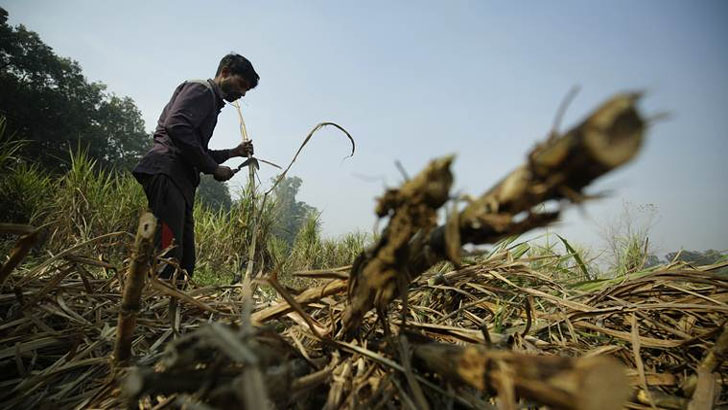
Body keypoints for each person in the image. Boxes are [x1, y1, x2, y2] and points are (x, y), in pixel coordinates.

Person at [132, 53, 259, 280]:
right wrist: (213, 168)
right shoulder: (201, 90)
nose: (241, 94)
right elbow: (177, 127)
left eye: (246, 91)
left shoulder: (211, 101)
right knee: (168, 254)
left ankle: (172, 308)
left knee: (185, 260)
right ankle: (155, 306)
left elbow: (195, 148)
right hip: (168, 172)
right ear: (225, 72)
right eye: (241, 85)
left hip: (181, 182)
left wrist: (233, 153)